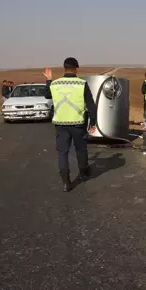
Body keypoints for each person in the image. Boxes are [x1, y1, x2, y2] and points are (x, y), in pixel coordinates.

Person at [43, 57, 97, 192]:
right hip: (78, 123)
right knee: (81, 149)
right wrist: (93, 122)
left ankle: (66, 182)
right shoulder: (81, 84)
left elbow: (47, 95)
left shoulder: (55, 84)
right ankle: (84, 173)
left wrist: (48, 79)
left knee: (62, 153)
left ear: (64, 68)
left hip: (60, 124)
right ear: (76, 68)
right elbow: (91, 105)